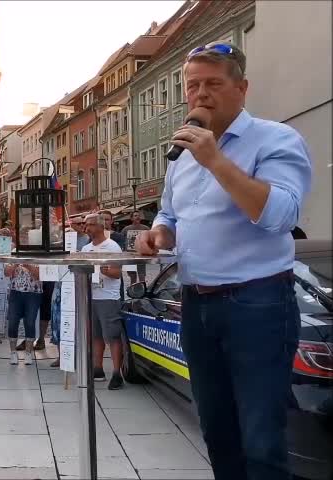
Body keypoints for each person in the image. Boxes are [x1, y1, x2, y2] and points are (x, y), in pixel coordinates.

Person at [136, 42, 311, 480]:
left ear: (242, 88)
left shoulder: (276, 139)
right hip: (197, 305)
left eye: (213, 84)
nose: (200, 95)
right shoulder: (182, 155)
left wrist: (215, 160)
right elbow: (170, 212)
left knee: (261, 440)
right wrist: (158, 233)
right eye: (192, 86)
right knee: (217, 432)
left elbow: (280, 216)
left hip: (258, 304)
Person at [81, 213, 125, 390]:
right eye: (85, 225)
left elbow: (117, 273)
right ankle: (97, 369)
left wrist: (105, 271)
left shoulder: (112, 247)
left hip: (108, 297)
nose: (86, 228)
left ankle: (117, 373)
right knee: (96, 335)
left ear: (100, 226)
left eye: (90, 225)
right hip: (91, 296)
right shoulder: (86, 249)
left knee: (113, 336)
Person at [4, 257, 41, 366]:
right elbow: (6, 272)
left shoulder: (39, 254)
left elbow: (40, 275)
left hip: (33, 293)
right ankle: (13, 353)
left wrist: (28, 265)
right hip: (15, 292)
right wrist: (15, 264)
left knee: (30, 322)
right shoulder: (14, 253)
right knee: (12, 322)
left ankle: (28, 353)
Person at [121, 211, 150, 284]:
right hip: (130, 256)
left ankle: (142, 290)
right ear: (131, 218)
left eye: (139, 215)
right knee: (132, 275)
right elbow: (121, 239)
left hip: (141, 255)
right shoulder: (126, 229)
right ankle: (133, 290)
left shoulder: (145, 228)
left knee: (142, 274)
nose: (138, 217)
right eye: (135, 215)